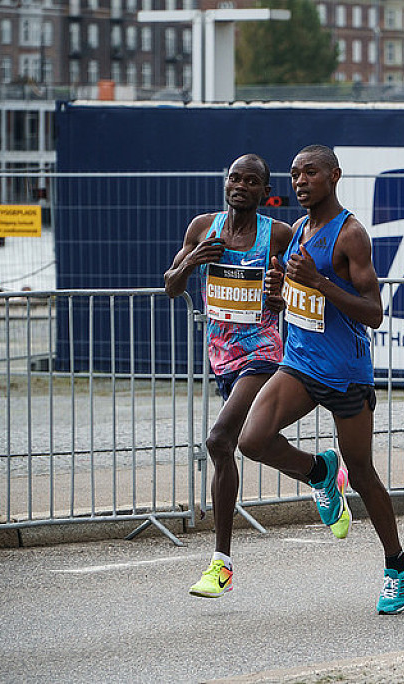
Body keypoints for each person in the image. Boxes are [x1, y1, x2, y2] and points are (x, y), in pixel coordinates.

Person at [238, 145, 404, 615]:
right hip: (299, 363)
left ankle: (397, 565)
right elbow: (301, 301)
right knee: (252, 440)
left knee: (363, 474)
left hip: (345, 372)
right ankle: (318, 471)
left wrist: (319, 282)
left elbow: (373, 313)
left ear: (334, 175)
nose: (300, 181)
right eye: (295, 174)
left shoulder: (351, 235)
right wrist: (280, 295)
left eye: (310, 173)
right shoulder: (298, 230)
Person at [164, 153, 294, 599]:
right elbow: (171, 286)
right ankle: (320, 470)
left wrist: (280, 296)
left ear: (265, 192)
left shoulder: (279, 234)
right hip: (222, 358)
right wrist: (191, 262)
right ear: (226, 184)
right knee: (243, 444)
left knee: (220, 440)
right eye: (235, 178)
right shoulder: (204, 227)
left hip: (263, 351)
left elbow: (298, 290)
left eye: (251, 181)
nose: (240, 186)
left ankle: (221, 564)